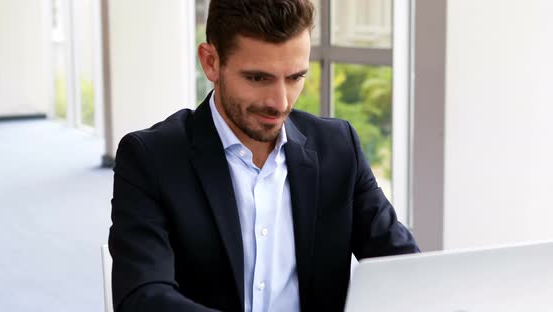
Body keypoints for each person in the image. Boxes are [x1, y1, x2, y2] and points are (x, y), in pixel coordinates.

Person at [108, 0, 419, 311]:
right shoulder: (151, 158)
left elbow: (406, 268)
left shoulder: (338, 148)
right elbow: (142, 296)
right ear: (211, 62)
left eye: (295, 77)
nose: (279, 102)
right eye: (258, 78)